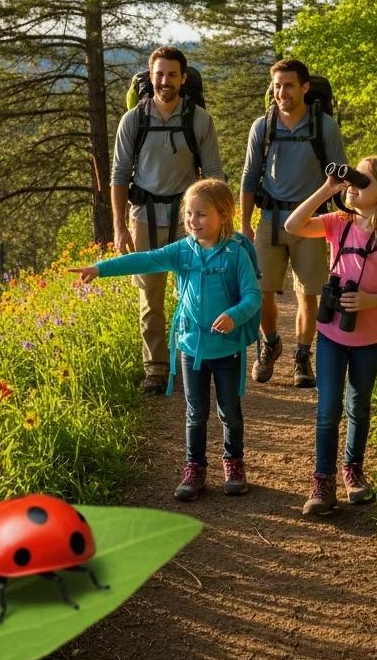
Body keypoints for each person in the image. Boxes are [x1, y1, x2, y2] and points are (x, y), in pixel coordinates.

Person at [73, 179, 261, 502]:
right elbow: (144, 260)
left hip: (226, 348)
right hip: (190, 347)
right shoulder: (182, 251)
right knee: (195, 411)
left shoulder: (235, 254)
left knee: (229, 410)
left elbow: (253, 296)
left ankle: (233, 464)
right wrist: (100, 269)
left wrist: (234, 315)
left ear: (224, 214)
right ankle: (195, 468)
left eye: (201, 214)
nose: (192, 220)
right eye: (189, 213)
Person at [283, 157, 377, 515]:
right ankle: (322, 480)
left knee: (358, 406)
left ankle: (352, 470)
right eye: (354, 176)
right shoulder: (339, 223)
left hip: (369, 338)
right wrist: (328, 190)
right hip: (330, 334)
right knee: (328, 409)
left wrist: (371, 301)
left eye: (363, 180)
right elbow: (293, 225)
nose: (354, 183)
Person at [111, 46, 224, 395]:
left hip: (190, 219)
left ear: (183, 78)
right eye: (159, 74)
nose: (165, 81)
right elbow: (119, 176)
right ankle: (156, 368)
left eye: (172, 75)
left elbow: (214, 176)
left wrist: (219, 223)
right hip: (143, 216)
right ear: (150, 76)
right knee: (151, 296)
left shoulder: (199, 120)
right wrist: (118, 228)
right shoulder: (133, 120)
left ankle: (195, 360)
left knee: (196, 292)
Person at [240, 58, 346, 388]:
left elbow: (340, 175)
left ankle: (302, 356)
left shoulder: (325, 126)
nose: (281, 92)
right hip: (270, 220)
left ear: (304, 87)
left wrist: (345, 221)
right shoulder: (262, 126)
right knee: (261, 292)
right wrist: (244, 224)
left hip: (311, 223)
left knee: (308, 294)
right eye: (276, 86)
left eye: (288, 85)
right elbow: (249, 177)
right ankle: (271, 343)